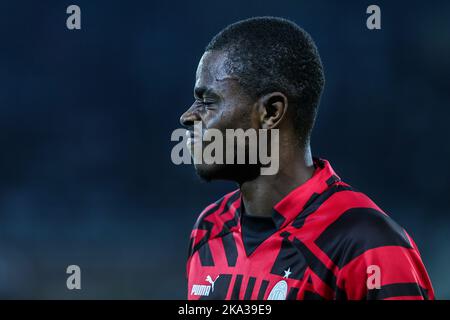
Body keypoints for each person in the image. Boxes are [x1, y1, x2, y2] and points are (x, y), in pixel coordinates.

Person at [180, 16, 434, 300]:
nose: (188, 116)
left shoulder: (367, 244)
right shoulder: (209, 228)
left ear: (271, 111)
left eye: (208, 100)